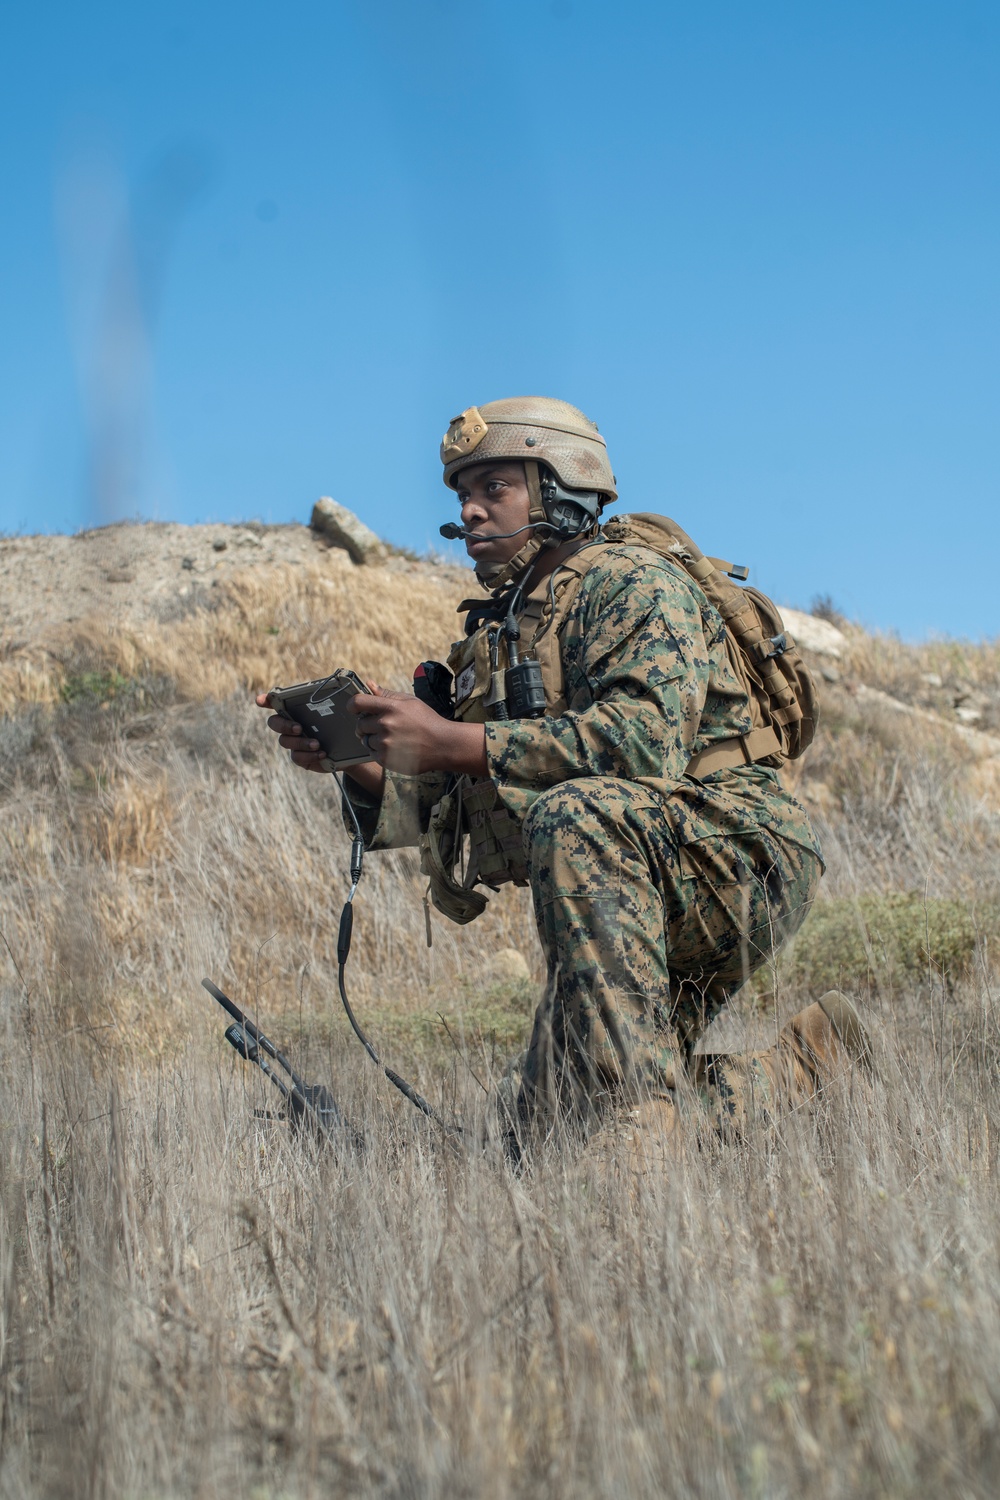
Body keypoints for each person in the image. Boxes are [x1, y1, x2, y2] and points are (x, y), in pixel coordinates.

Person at [259, 397, 868, 1157]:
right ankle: (808, 1065)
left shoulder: (634, 583)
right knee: (534, 1139)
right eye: (461, 497)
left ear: (561, 486)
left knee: (577, 816)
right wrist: (362, 765)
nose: (472, 513)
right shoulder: (506, 630)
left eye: (495, 489)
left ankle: (639, 1136)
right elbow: (464, 803)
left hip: (735, 853)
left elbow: (640, 746)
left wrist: (454, 739)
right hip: (632, 885)